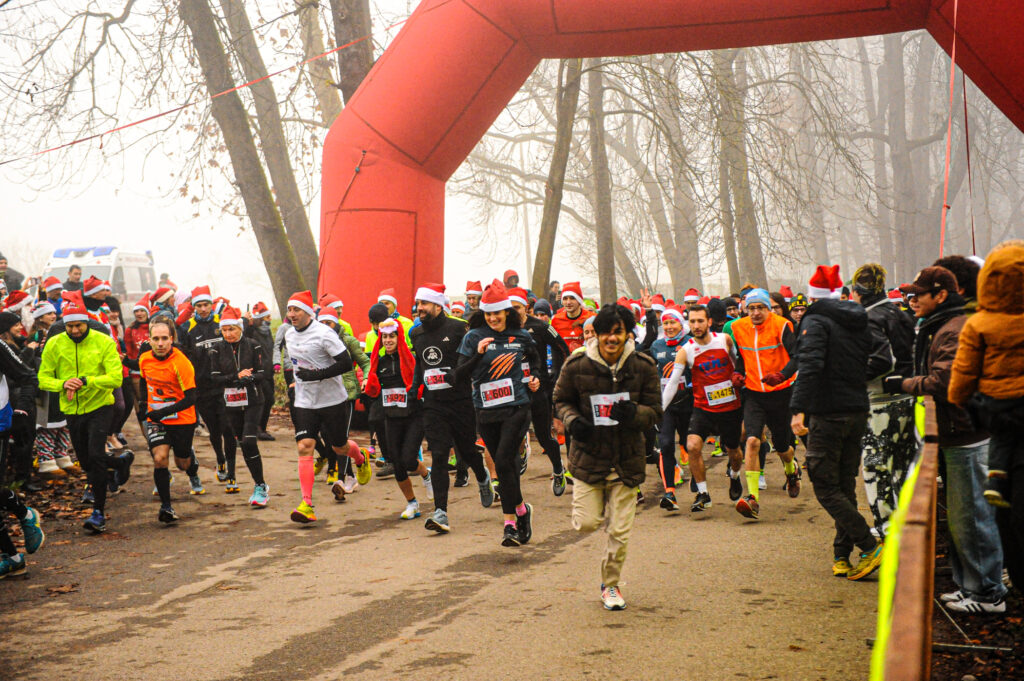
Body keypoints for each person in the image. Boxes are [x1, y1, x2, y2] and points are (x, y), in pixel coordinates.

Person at [885, 266, 1008, 614]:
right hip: (960, 435)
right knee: (961, 518)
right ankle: (971, 585)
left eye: (918, 295)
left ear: (940, 295)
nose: (911, 301)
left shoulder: (953, 329)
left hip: (968, 436)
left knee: (972, 518)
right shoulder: (943, 325)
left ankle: (988, 593)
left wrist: (904, 383)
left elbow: (944, 382)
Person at [554, 303, 662, 610]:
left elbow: (656, 412)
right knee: (587, 524)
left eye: (618, 333)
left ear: (628, 334)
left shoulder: (643, 366)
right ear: (597, 335)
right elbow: (560, 400)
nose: (611, 339)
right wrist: (574, 422)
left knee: (619, 532)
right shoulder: (577, 365)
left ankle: (610, 585)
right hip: (589, 459)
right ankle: (598, 510)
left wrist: (634, 414)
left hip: (626, 460)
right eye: (605, 333)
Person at [789, 265, 882, 580]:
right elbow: (869, 358)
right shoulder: (858, 318)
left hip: (829, 413)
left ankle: (869, 546)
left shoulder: (815, 321)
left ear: (813, 295)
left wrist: (798, 409)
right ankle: (842, 555)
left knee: (825, 485)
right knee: (843, 485)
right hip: (856, 409)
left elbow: (811, 364)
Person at [948, 241, 1024, 593]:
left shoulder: (978, 323)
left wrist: (960, 400)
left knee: (1003, 438)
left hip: (999, 406)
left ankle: (996, 477)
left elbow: (962, 377)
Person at [456, 280, 541, 547]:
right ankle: (521, 510)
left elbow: (535, 360)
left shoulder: (522, 336)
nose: (493, 318)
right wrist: (478, 356)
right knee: (505, 466)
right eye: (489, 313)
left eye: (498, 312)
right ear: (483, 313)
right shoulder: (473, 337)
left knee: (503, 461)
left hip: (516, 407)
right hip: (486, 411)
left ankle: (509, 525)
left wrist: (535, 377)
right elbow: (459, 374)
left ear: (507, 312)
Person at [37, 296, 131, 533]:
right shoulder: (55, 343)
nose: (75, 330)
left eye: (79, 325)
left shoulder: (103, 341)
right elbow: (43, 378)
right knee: (86, 460)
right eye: (70, 326)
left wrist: (86, 381)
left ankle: (98, 512)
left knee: (96, 456)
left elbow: (115, 378)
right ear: (64, 325)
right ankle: (119, 461)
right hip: (72, 410)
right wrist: (64, 384)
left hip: (100, 406)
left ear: (86, 322)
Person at [409, 283, 494, 534]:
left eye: (424, 303)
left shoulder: (459, 328)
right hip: (433, 404)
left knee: (467, 451)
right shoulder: (416, 333)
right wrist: (415, 389)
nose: (419, 308)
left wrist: (456, 375)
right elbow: (420, 365)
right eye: (418, 303)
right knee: (439, 454)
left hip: (460, 401)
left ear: (438, 305)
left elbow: (467, 364)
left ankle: (482, 476)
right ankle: (441, 512)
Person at [283, 290, 369, 524]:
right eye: (289, 310)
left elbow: (344, 363)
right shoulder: (289, 335)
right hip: (305, 401)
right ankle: (307, 504)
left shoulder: (324, 334)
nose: (292, 314)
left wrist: (317, 375)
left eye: (296, 310)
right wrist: (295, 379)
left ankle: (360, 458)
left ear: (309, 312)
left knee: (339, 447)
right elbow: (296, 363)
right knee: (305, 446)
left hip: (332, 400)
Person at [850, 263, 916, 541]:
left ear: (858, 292)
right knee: (900, 463)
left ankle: (886, 526)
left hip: (879, 403)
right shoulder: (899, 313)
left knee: (875, 464)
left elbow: (881, 360)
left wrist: (851, 377)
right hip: (907, 398)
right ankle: (902, 520)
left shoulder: (869, 318)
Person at [663, 305, 746, 512]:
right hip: (703, 408)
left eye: (700, 321)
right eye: (692, 322)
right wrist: (659, 410)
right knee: (692, 446)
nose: (696, 325)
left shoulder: (724, 341)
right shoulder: (686, 350)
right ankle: (703, 494)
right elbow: (672, 383)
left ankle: (735, 477)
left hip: (730, 406)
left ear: (709, 322)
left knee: (734, 452)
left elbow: (739, 366)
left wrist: (741, 381)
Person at [729, 288, 801, 519]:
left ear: (768, 309)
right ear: (745, 309)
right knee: (751, 440)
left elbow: (798, 356)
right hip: (754, 393)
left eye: (761, 307)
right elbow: (743, 357)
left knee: (781, 446)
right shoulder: (738, 328)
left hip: (781, 392)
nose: (756, 312)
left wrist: (781, 374)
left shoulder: (781, 325)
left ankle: (791, 471)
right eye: (752, 308)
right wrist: (737, 374)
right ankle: (752, 498)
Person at [362, 317, 433, 518]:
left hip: (413, 416)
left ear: (399, 337)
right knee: (397, 463)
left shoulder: (410, 359)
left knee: (409, 459)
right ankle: (412, 504)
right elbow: (374, 390)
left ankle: (427, 475)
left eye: (392, 336)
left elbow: (421, 382)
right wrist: (368, 383)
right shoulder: (380, 363)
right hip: (391, 416)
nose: (388, 340)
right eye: (384, 337)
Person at [139, 318, 206, 523]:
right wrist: (144, 405)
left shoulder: (181, 362)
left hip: (182, 418)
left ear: (171, 339)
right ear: (149, 340)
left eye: (164, 339)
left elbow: (192, 398)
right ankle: (166, 507)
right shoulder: (144, 359)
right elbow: (144, 381)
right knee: (160, 459)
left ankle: (191, 463)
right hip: (157, 419)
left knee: (182, 463)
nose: (160, 343)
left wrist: (165, 411)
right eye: (156, 339)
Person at [509, 286, 570, 494]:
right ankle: (521, 452)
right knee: (513, 433)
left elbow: (563, 348)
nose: (513, 311)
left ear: (527, 307)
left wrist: (556, 375)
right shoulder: (504, 330)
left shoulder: (541, 327)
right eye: (509, 308)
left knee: (544, 437)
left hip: (539, 388)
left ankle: (558, 468)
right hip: (515, 390)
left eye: (517, 307)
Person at [208, 307, 270, 506]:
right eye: (224, 330)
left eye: (232, 329)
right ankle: (260, 483)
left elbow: (263, 373)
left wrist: (250, 378)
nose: (228, 334)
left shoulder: (253, 345)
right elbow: (215, 378)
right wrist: (236, 377)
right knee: (243, 444)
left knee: (249, 441)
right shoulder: (217, 349)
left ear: (240, 328)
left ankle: (260, 487)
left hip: (253, 400)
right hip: (231, 403)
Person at [178, 285, 231, 482]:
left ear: (211, 304)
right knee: (215, 431)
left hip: (224, 385)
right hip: (202, 388)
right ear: (194, 307)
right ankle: (220, 458)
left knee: (228, 427)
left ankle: (229, 467)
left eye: (206, 304)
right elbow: (182, 357)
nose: (202, 309)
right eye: (198, 305)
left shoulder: (222, 322)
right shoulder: (186, 328)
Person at [646, 306, 693, 512]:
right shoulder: (657, 346)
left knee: (689, 444)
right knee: (665, 445)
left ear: (680, 324)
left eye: (672, 322)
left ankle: (699, 483)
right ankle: (669, 493)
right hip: (667, 406)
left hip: (688, 403)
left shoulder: (690, 343)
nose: (669, 326)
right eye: (665, 323)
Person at [245, 301, 277, 441]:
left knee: (269, 400)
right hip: (259, 372)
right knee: (265, 399)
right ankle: (258, 428)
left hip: (269, 371)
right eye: (267, 317)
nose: (270, 320)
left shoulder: (268, 332)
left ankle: (261, 427)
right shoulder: (252, 332)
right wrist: (246, 321)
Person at [551, 282, 595, 352]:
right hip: (565, 362)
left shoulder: (592, 318)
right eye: (565, 299)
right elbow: (554, 345)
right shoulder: (555, 320)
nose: (568, 302)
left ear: (579, 300)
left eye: (572, 298)